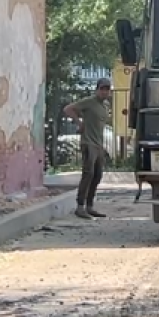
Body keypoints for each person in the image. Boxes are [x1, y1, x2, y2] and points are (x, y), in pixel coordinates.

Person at [62, 78, 113, 219]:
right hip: (88, 143)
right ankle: (80, 206)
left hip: (98, 144)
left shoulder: (105, 105)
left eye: (107, 89)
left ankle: (90, 206)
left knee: (97, 175)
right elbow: (68, 109)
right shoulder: (89, 102)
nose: (104, 92)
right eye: (102, 89)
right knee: (88, 173)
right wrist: (79, 123)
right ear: (97, 89)